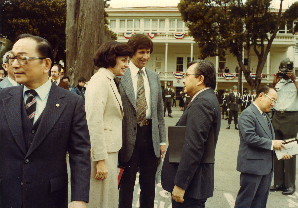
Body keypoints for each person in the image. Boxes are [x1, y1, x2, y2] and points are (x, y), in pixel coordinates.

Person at [0, 34, 91, 208]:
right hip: (7, 196)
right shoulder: (3, 98)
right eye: (12, 58)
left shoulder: (71, 102)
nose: (15, 64)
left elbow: (80, 152)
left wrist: (79, 198)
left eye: (23, 58)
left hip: (50, 197)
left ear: (46, 64)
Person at [161, 60, 221, 208]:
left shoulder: (202, 103)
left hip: (190, 186)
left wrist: (181, 184)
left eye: (187, 75)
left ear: (200, 79)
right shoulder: (207, 99)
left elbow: (194, 146)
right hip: (194, 183)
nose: (183, 79)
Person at [118, 34, 167, 208]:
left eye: (148, 52)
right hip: (128, 138)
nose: (145, 56)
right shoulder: (120, 76)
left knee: (149, 187)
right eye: (141, 52)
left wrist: (162, 140)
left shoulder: (153, 77)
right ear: (132, 53)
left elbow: (159, 112)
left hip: (150, 136)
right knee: (126, 187)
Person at [85, 41, 132, 208]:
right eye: (124, 60)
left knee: (107, 200)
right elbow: (94, 121)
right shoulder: (100, 81)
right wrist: (100, 160)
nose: (127, 65)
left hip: (109, 151)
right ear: (111, 58)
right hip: (102, 154)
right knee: (100, 201)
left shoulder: (109, 80)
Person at [234, 85, 292, 208]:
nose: (273, 104)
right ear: (261, 96)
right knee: (245, 202)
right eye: (272, 99)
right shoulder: (247, 113)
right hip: (252, 167)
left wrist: (281, 151)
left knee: (260, 203)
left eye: (275, 101)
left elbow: (267, 140)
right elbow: (250, 138)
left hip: (265, 168)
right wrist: (273, 143)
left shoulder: (265, 115)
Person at [270, 59, 298, 195]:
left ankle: (290, 184)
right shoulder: (278, 82)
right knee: (277, 150)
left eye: (287, 69)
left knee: (290, 151)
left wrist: (294, 79)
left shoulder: (296, 82)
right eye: (282, 69)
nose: (284, 72)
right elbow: (271, 97)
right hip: (277, 116)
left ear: (292, 69)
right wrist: (274, 83)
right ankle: (278, 183)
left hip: (291, 116)